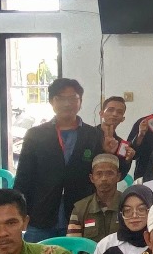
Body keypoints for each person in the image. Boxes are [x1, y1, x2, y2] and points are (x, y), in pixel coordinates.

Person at [13, 77, 104, 243]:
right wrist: (19, 213)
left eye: (73, 98)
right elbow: (23, 178)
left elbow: (103, 173)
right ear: (51, 102)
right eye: (61, 98)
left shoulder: (93, 135)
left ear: (80, 102)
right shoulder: (35, 135)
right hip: (40, 214)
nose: (67, 103)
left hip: (80, 214)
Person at [68, 153, 124, 250]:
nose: (104, 178)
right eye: (99, 174)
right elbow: (73, 246)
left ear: (118, 177)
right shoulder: (79, 209)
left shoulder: (128, 204)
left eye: (109, 173)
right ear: (92, 178)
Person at [97, 96, 136, 178]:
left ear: (123, 119)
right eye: (110, 110)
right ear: (101, 114)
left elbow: (121, 175)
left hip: (110, 185)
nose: (114, 114)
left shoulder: (122, 144)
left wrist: (128, 160)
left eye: (119, 112)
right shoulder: (88, 135)